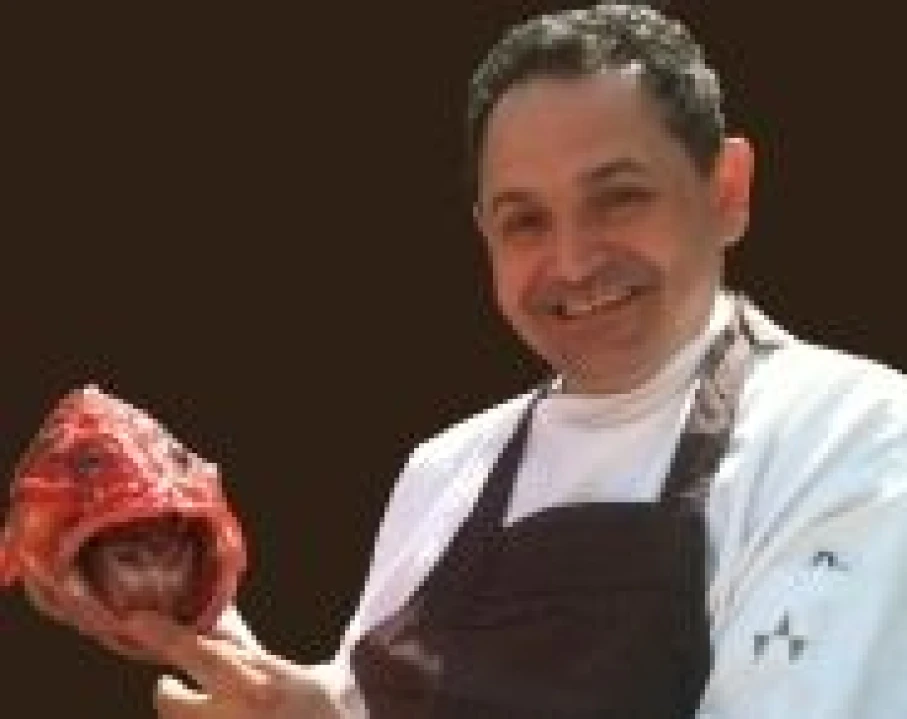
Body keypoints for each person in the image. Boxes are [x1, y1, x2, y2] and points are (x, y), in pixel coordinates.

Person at [24, 3, 907, 717]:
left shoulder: (850, 436)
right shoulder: (444, 470)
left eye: (619, 198)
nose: (571, 260)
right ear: (485, 234)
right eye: (524, 220)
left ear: (726, 191)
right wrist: (247, 663)